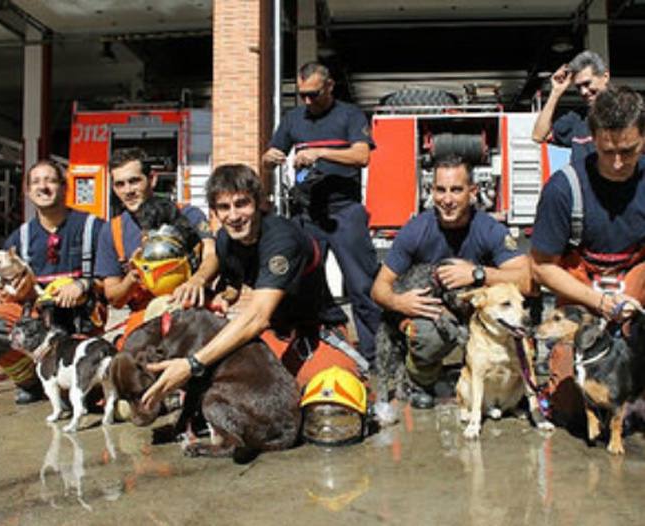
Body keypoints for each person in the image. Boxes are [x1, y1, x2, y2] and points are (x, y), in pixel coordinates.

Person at [141, 164, 364, 412]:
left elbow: (257, 317)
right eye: (224, 208)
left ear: (259, 203)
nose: (234, 216)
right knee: (238, 403)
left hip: (315, 334)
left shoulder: (282, 238)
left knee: (331, 407)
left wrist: (192, 364)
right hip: (271, 335)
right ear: (214, 212)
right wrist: (204, 283)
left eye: (242, 203)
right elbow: (228, 277)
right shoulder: (227, 239)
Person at [370, 155, 531, 409]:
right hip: (435, 314)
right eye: (440, 190)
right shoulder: (415, 230)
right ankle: (421, 380)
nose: (447, 199)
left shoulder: (489, 229)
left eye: (456, 190)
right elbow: (379, 288)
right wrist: (400, 301)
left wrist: (478, 274)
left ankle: (492, 379)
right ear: (431, 191)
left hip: (478, 313)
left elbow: (527, 280)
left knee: (514, 317)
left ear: (473, 192)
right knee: (428, 336)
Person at [530, 86, 645, 426]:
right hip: (582, 291)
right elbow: (542, 267)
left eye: (629, 150)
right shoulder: (564, 188)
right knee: (573, 411)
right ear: (592, 139)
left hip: (637, 284)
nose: (618, 162)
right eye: (608, 151)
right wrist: (599, 302)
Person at [262, 61, 381, 362]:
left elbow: (362, 155)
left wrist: (320, 152)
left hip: (345, 213)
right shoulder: (293, 119)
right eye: (302, 95)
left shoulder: (350, 115)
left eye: (314, 94)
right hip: (307, 213)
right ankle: (314, 347)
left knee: (362, 286)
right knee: (301, 284)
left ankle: (376, 356)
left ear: (329, 87)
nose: (307, 101)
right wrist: (269, 157)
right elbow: (269, 154)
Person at [0, 160, 104, 404]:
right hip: (38, 321)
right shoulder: (18, 238)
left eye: (51, 180)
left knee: (90, 396)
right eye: (36, 182)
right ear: (28, 191)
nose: (43, 187)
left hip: (81, 322)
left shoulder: (93, 228)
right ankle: (30, 382)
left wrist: (83, 285)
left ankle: (65, 381)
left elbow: (112, 280)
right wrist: (17, 293)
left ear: (64, 188)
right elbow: (4, 294)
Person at [94, 148, 218, 347]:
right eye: (120, 184)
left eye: (134, 181)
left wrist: (197, 280)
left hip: (192, 309)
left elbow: (212, 255)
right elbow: (114, 298)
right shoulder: (112, 230)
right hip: (144, 320)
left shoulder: (188, 214)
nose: (128, 190)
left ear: (152, 179)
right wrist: (133, 276)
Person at [532, 50, 610, 162]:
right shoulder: (577, 119)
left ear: (605, 76)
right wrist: (555, 92)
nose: (583, 91)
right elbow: (538, 136)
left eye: (587, 84)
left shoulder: (627, 111)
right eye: (578, 87)